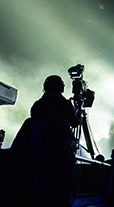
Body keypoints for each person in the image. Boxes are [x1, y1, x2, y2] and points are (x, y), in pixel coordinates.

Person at [11, 75, 80, 207]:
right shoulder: (65, 105)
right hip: (59, 157)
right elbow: (74, 122)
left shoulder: (38, 105)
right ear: (61, 87)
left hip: (32, 154)